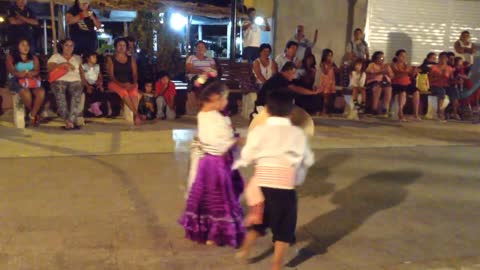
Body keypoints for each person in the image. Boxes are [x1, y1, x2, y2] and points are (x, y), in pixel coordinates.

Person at [234, 91, 314, 270]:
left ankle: (244, 251)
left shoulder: (259, 131)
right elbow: (305, 159)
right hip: (284, 188)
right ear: (292, 110)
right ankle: (276, 265)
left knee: (259, 222)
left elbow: (247, 155)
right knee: (284, 230)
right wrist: (297, 177)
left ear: (267, 110)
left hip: (260, 186)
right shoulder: (297, 134)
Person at [179, 79, 245, 248]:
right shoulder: (213, 117)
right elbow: (221, 143)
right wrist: (237, 141)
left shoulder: (204, 114)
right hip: (216, 164)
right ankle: (215, 233)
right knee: (218, 199)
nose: (226, 102)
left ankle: (208, 231)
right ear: (215, 97)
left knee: (206, 198)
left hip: (206, 163)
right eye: (224, 98)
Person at [47, 39, 85, 129]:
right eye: (66, 45)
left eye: (71, 46)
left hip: (75, 80)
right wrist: (63, 64)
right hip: (59, 80)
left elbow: (81, 72)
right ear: (62, 46)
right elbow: (49, 68)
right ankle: (68, 120)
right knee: (60, 95)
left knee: (76, 94)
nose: (69, 48)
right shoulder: (56, 57)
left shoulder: (77, 58)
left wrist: (85, 83)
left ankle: (70, 121)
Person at [6, 39, 45, 126]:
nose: (26, 47)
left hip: (31, 79)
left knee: (41, 92)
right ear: (17, 47)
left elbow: (36, 70)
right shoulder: (11, 57)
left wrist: (30, 73)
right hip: (16, 80)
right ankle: (32, 113)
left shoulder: (34, 57)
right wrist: (22, 74)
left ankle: (32, 115)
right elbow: (12, 71)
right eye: (23, 45)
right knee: (26, 93)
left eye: (27, 45)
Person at [107, 37, 141, 125]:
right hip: (115, 83)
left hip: (129, 83)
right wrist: (121, 84)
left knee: (133, 92)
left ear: (126, 47)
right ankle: (136, 114)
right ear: (115, 47)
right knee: (123, 92)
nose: (121, 47)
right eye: (119, 45)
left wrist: (134, 83)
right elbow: (111, 76)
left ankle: (135, 114)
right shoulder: (111, 59)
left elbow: (135, 73)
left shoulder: (131, 59)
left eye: (123, 45)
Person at [185, 41, 217, 115]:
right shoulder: (191, 58)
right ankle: (203, 106)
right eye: (198, 47)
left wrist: (205, 73)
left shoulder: (210, 59)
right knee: (202, 82)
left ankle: (207, 106)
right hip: (195, 78)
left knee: (210, 83)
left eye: (202, 47)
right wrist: (202, 71)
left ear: (205, 49)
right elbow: (189, 69)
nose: (200, 49)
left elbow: (213, 71)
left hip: (207, 78)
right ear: (195, 49)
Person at [391, 50, 420, 121]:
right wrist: (407, 71)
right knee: (402, 92)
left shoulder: (407, 66)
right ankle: (400, 112)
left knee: (416, 92)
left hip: (407, 83)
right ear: (397, 57)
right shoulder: (393, 65)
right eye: (401, 56)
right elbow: (397, 73)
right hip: (397, 83)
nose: (403, 58)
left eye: (404, 56)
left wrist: (414, 72)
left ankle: (415, 114)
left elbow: (411, 75)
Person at [428, 52, 457, 121]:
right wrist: (440, 76)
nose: (443, 59)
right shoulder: (434, 67)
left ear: (447, 59)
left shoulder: (449, 68)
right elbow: (429, 78)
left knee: (454, 92)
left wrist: (456, 81)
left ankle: (454, 113)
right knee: (441, 91)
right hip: (435, 85)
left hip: (445, 85)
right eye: (441, 58)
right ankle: (439, 111)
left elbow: (451, 80)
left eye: (445, 58)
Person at [366, 51, 393, 115]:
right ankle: (374, 108)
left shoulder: (386, 65)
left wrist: (388, 70)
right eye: (381, 58)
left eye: (383, 58)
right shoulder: (372, 65)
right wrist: (380, 72)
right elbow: (368, 74)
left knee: (389, 89)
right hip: (374, 81)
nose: (382, 59)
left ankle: (385, 108)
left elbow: (392, 76)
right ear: (376, 58)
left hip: (385, 82)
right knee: (378, 87)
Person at [82, 51, 107, 117]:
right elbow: (83, 78)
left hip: (95, 83)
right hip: (87, 83)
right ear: (88, 58)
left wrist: (100, 83)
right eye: (93, 57)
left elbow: (100, 76)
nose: (95, 58)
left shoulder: (97, 66)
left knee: (100, 90)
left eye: (96, 57)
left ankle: (94, 107)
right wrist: (87, 86)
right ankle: (95, 109)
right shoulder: (84, 66)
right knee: (92, 91)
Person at [319, 49, 337, 115]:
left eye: (331, 56)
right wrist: (330, 65)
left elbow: (337, 71)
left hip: (331, 81)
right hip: (325, 81)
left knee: (330, 97)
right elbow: (325, 72)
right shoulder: (322, 64)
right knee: (325, 97)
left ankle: (329, 111)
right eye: (328, 55)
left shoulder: (333, 64)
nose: (330, 57)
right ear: (325, 56)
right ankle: (323, 110)